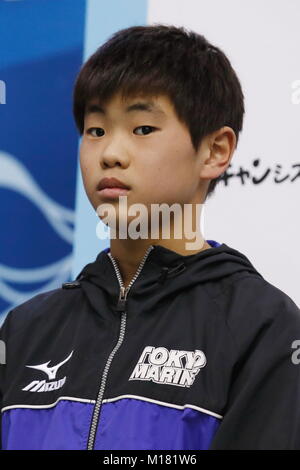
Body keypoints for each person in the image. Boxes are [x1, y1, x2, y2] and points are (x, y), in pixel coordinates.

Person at [1, 24, 300, 451]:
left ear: (215, 150)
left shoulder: (263, 326)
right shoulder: (25, 329)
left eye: (142, 129)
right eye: (95, 130)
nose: (110, 153)